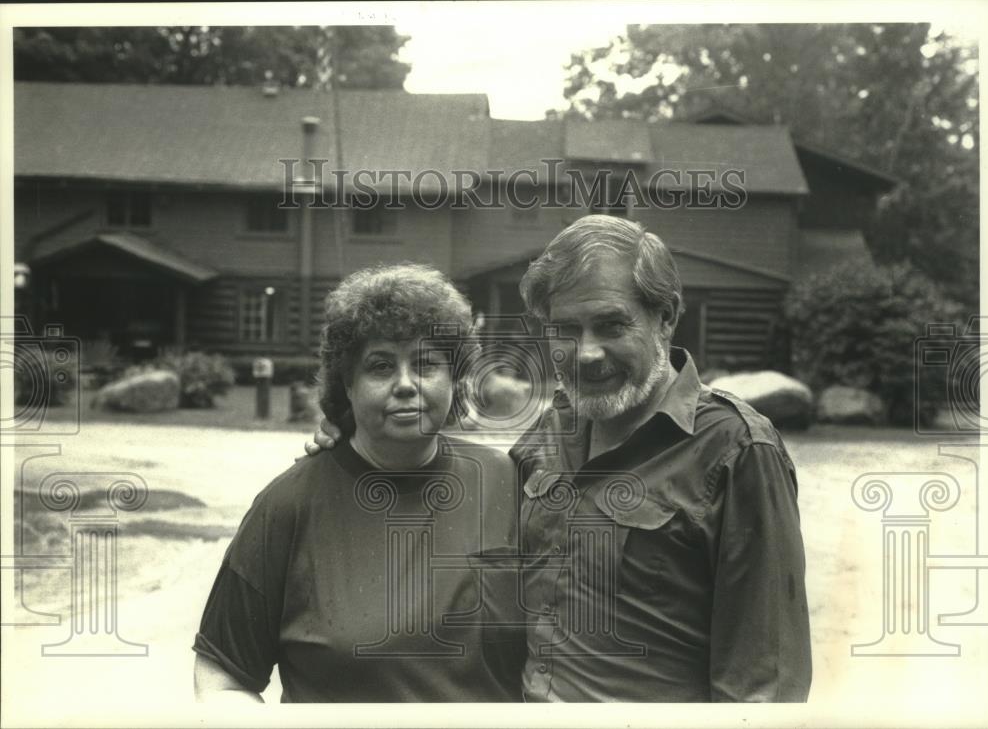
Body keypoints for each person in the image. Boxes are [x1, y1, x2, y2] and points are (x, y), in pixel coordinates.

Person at [308, 215, 812, 702]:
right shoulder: (551, 432)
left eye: (611, 325)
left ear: (667, 317)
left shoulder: (738, 451)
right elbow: (459, 520)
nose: (586, 353)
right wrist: (360, 450)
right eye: (566, 330)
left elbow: (762, 689)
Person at [194, 264, 523, 702]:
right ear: (347, 383)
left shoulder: (506, 483)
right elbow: (221, 678)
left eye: (426, 364)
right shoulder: (288, 505)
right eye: (381, 366)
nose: (406, 384)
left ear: (454, 377)